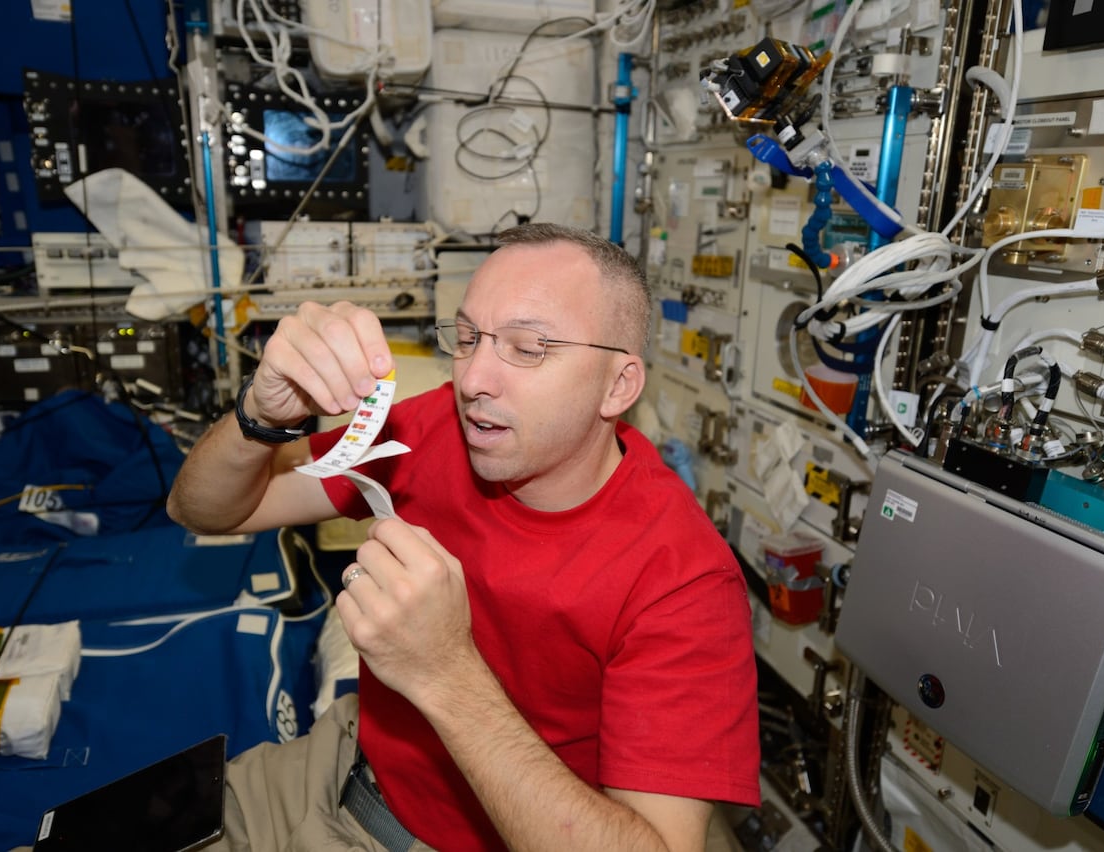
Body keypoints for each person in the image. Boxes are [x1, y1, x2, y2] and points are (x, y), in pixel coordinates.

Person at [166, 223, 760, 852]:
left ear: (618, 386)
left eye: (528, 348)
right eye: (468, 337)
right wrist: (259, 413)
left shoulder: (684, 581)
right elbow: (204, 510)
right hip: (346, 761)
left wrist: (445, 672)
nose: (475, 377)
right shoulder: (438, 428)